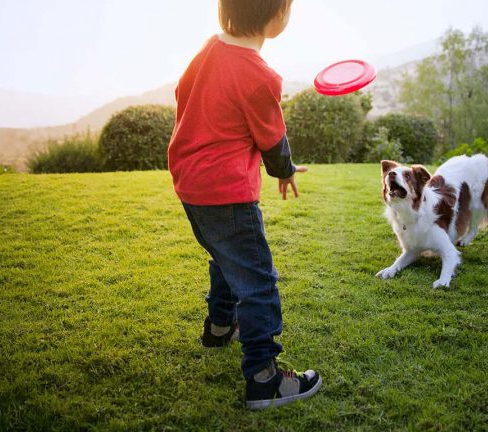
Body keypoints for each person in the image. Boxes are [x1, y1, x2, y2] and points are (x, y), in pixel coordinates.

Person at [167, 0, 321, 410]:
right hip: (227, 190)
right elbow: (271, 137)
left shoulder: (206, 50)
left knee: (224, 258)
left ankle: (220, 327)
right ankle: (264, 378)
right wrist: (284, 170)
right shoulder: (259, 75)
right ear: (274, 17)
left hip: (191, 185)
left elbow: (186, 100)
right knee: (257, 280)